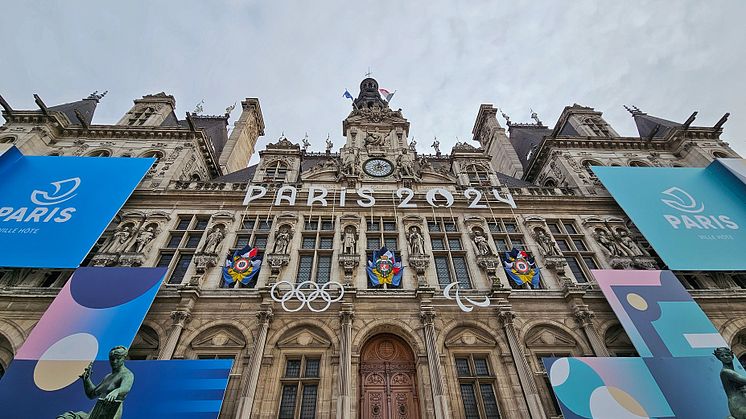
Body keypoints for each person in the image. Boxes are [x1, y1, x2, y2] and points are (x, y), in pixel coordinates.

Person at [57, 346, 134, 419]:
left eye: (118, 358)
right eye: (112, 359)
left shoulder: (127, 374)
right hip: (95, 413)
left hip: (110, 414)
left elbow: (126, 388)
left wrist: (116, 391)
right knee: (66, 417)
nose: (114, 361)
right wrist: (86, 379)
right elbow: (92, 394)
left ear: (124, 358)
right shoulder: (108, 377)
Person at [714, 347, 746, 419]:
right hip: (738, 405)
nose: (725, 357)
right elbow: (743, 380)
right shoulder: (726, 372)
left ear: (732, 356)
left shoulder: (732, 371)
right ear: (719, 359)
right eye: (722, 356)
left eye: (727, 355)